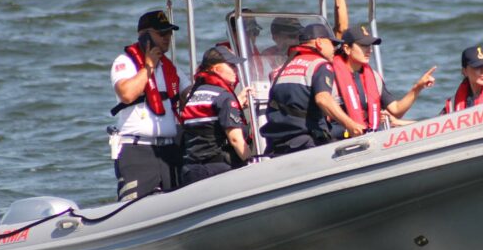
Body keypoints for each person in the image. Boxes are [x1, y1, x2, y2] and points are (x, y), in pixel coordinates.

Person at [109, 10, 183, 201]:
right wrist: (148, 67)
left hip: (168, 151)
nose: (167, 37)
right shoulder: (125, 62)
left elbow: (189, 95)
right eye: (162, 33)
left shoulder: (170, 67)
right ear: (145, 35)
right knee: (134, 206)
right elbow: (127, 94)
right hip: (137, 151)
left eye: (169, 33)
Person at [261, 24, 365, 156]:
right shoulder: (320, 64)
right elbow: (323, 99)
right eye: (332, 43)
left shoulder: (279, 70)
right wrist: (351, 125)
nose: (334, 48)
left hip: (277, 144)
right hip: (307, 142)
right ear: (319, 42)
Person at [331, 25, 436, 135]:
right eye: (363, 45)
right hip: (338, 139)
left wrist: (418, 87)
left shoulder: (373, 77)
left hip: (369, 136)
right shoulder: (331, 75)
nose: (369, 50)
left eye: (370, 45)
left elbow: (396, 110)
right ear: (347, 49)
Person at [180, 45, 252, 185]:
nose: (236, 70)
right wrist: (253, 164)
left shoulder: (194, 94)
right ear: (216, 69)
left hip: (191, 171)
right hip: (217, 172)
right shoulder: (224, 97)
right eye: (231, 65)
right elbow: (235, 140)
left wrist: (236, 104)